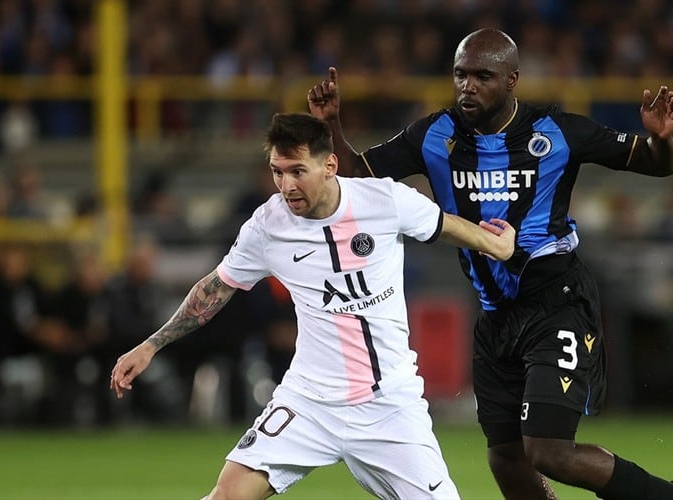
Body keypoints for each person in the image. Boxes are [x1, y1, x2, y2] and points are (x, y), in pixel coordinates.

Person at [308, 28, 673, 500]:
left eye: (483, 76)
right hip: (495, 315)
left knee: (548, 451)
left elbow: (656, 164)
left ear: (513, 79)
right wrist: (332, 124)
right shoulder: (434, 134)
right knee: (505, 457)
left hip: (556, 301)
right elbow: (360, 178)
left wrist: (661, 140)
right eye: (460, 75)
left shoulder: (558, 132)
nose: (468, 86)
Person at [110, 112, 517, 500]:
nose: (286, 185)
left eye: (297, 171)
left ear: (330, 165)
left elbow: (444, 225)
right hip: (308, 402)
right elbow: (216, 287)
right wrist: (151, 345)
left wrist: (496, 244)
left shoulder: (385, 201)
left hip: (388, 405)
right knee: (228, 494)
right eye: (277, 171)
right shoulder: (267, 226)